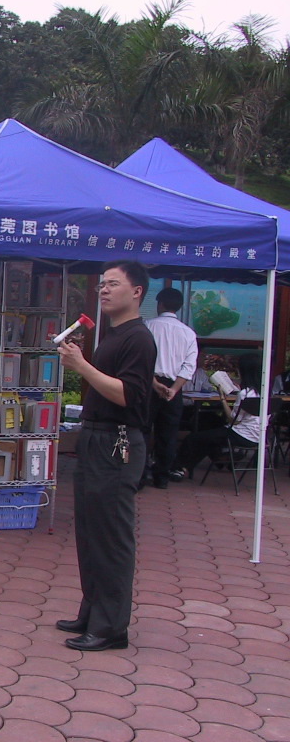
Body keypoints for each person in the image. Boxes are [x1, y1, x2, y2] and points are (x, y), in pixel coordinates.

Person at [56, 260, 156, 651]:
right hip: (96, 439)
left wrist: (82, 367)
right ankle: (92, 609)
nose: (104, 289)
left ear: (137, 292)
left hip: (118, 442)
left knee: (112, 537)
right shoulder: (114, 335)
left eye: (113, 284)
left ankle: (112, 626)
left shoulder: (139, 339)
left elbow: (129, 394)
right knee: (90, 530)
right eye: (102, 284)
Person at [170, 351, 263, 482]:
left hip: (240, 434)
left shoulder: (244, 394)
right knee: (210, 431)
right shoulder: (264, 393)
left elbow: (233, 420)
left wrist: (223, 399)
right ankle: (217, 457)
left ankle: (177, 468)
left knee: (193, 438)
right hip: (259, 436)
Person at [142, 287, 198, 489]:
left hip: (149, 384)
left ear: (160, 304)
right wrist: (174, 389)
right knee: (168, 433)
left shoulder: (148, 327)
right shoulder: (188, 333)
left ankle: (140, 476)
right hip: (174, 386)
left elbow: (141, 360)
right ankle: (162, 477)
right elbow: (189, 366)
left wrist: (154, 383)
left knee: (143, 430)